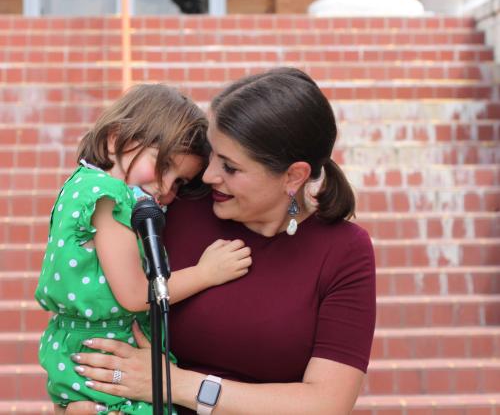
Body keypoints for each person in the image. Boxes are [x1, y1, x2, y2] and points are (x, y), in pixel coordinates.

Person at [65, 67, 376, 414]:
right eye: (212, 154)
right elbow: (87, 287)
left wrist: (176, 384)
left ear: (293, 176)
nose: (209, 174)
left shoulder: (344, 251)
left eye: (229, 166)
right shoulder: (175, 200)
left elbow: (326, 405)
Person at [34, 84, 252, 414]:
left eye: (179, 180)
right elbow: (136, 294)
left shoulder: (81, 185)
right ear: (115, 138)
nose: (166, 188)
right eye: (164, 166)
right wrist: (207, 273)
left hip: (83, 346)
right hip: (106, 352)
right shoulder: (107, 196)